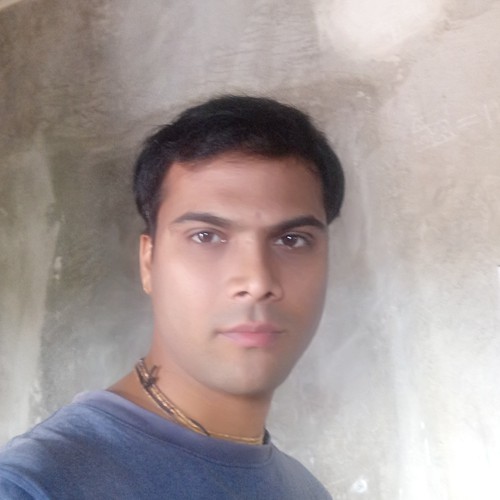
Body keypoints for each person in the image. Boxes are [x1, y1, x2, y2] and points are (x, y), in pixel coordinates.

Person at [0, 95, 344, 499]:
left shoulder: (306, 490)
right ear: (149, 262)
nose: (256, 280)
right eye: (206, 236)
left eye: (292, 240)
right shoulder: (34, 486)